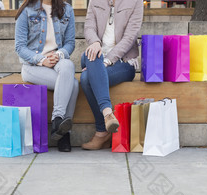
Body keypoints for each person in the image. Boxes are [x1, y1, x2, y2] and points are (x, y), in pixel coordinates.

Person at [15, 0, 78, 152]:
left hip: (56, 60)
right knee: (73, 85)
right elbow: (20, 47)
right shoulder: (27, 11)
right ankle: (64, 134)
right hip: (33, 65)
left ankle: (57, 120)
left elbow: (70, 43)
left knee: (68, 65)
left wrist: (59, 54)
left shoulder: (67, 10)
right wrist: (42, 60)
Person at [80, 0, 143, 150]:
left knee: (86, 78)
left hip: (124, 62)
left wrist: (107, 60)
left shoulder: (136, 1)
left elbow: (130, 37)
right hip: (95, 56)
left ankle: (102, 132)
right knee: (93, 55)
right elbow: (89, 27)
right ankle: (107, 113)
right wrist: (95, 42)